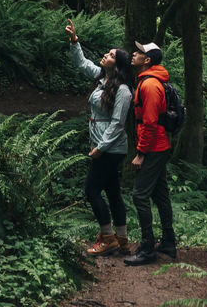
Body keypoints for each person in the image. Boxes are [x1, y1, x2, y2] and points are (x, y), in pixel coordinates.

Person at [65, 18, 134, 255]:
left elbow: (117, 124)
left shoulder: (123, 90)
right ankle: (122, 240)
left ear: (119, 64)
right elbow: (82, 64)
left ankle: (108, 238)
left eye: (111, 54)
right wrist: (75, 41)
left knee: (91, 190)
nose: (106, 55)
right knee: (113, 190)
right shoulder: (102, 79)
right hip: (102, 145)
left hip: (111, 148)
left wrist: (101, 148)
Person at [123, 40, 177, 266]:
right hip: (158, 146)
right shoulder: (146, 81)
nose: (133, 54)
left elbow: (151, 122)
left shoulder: (150, 86)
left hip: (154, 148)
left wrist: (141, 152)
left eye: (139, 52)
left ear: (147, 60)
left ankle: (148, 248)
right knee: (160, 193)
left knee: (139, 195)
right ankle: (168, 242)